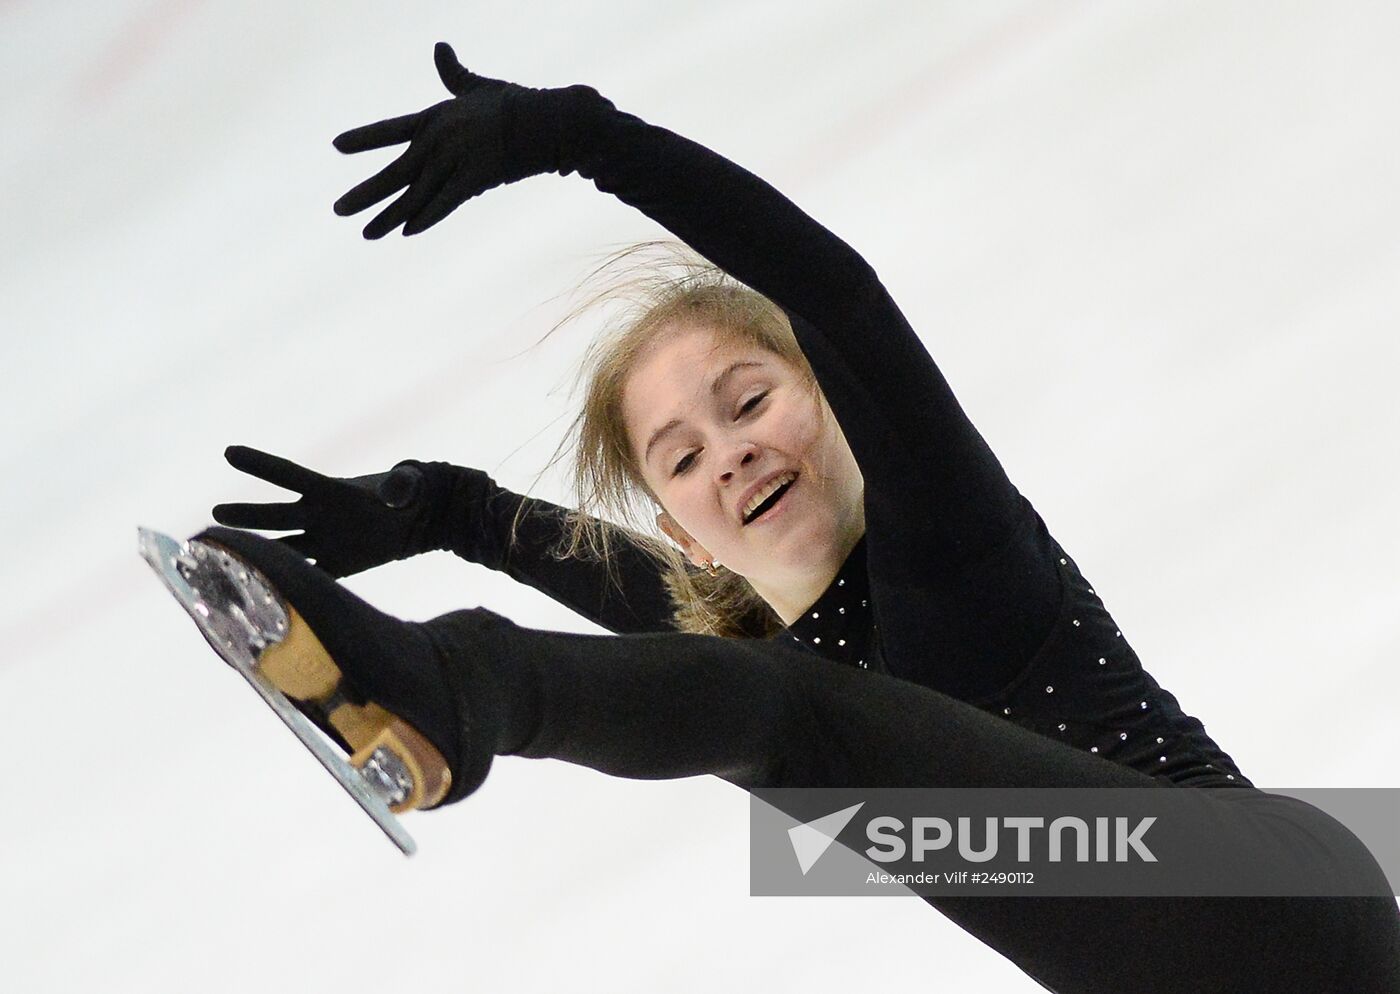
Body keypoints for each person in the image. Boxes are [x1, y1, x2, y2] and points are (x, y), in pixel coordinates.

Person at [201, 43, 1400, 992]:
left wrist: (581, 138)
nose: (730, 455)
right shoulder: (735, 636)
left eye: (750, 400)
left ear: (835, 406)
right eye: (682, 457)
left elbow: (835, 291)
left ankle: (444, 694)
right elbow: (606, 586)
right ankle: (441, 692)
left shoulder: (951, 544)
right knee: (763, 700)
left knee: (791, 726)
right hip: (1170, 963)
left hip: (1279, 908)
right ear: (678, 529)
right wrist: (440, 507)